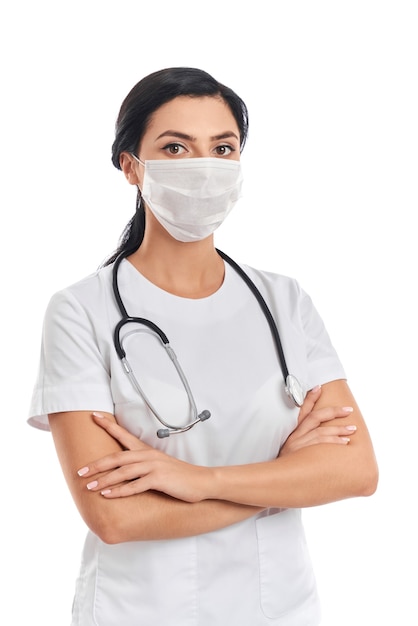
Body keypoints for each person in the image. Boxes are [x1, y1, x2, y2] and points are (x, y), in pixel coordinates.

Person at [28, 67, 378, 626]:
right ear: (130, 167)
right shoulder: (80, 311)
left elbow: (356, 471)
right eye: (175, 147)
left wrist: (196, 482)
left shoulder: (284, 301)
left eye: (223, 147)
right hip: (142, 610)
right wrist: (284, 480)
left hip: (279, 607)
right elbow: (114, 517)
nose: (205, 167)